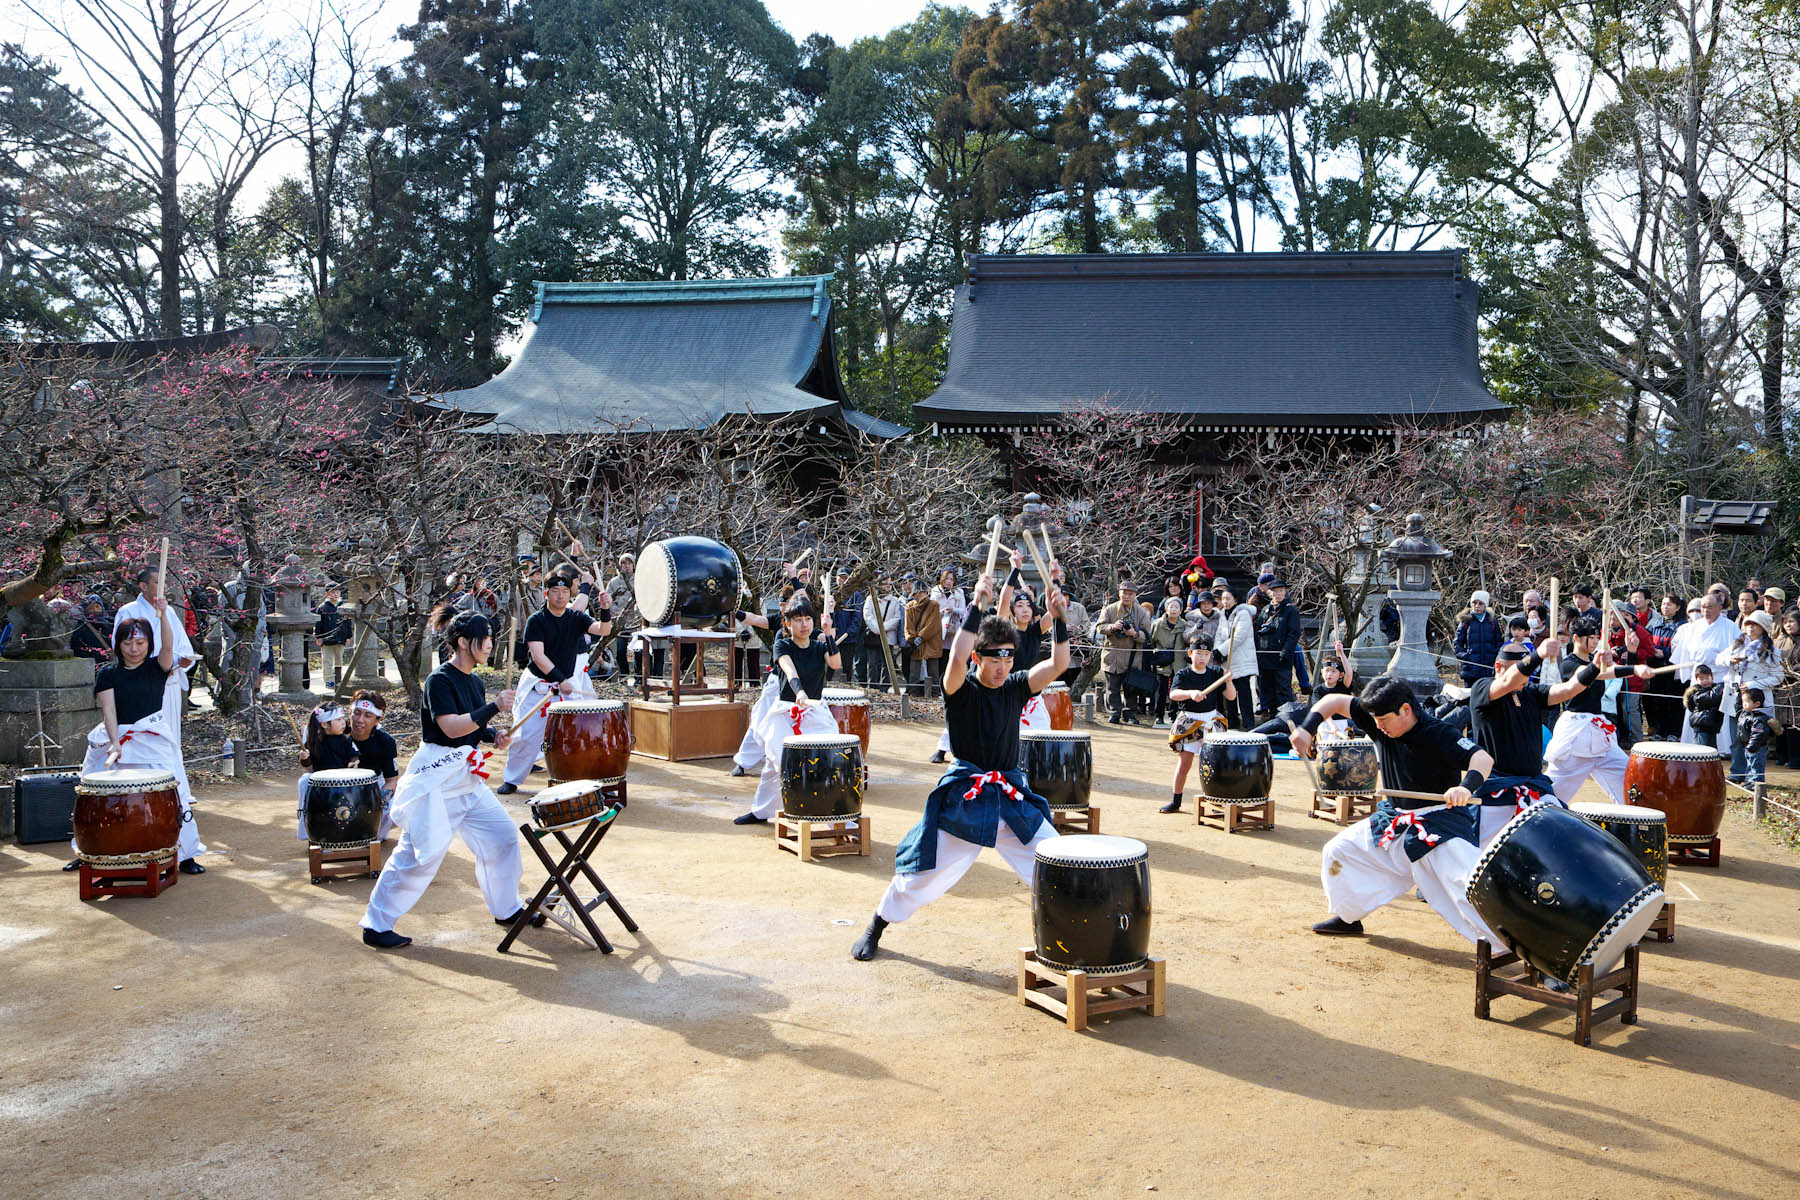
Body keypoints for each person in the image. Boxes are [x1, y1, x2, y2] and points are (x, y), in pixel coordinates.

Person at [850, 571, 1070, 961]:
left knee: (1056, 862)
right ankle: (877, 924)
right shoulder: (960, 690)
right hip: (966, 799)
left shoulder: (1017, 686)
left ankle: (1068, 940)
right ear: (977, 657)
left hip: (1010, 796)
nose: (1002, 664)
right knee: (920, 876)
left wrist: (1060, 619)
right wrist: (977, 606)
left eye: (1008, 656)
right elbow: (953, 658)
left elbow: (1057, 664)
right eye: (993, 656)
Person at [359, 606, 540, 949]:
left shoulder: (472, 680)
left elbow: (472, 728)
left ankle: (507, 908)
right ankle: (376, 923)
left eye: (490, 638)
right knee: (418, 854)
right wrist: (493, 709)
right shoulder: (438, 680)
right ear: (462, 642)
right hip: (437, 779)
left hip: (466, 777)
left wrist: (493, 735)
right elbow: (450, 727)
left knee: (502, 837)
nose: (489, 645)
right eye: (484, 639)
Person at [1290, 676, 1498, 944]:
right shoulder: (1379, 722)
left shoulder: (1439, 732)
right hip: (1393, 818)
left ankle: (1514, 947)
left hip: (1437, 824)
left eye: (1384, 720)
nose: (1378, 727)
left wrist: (1466, 788)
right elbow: (1333, 701)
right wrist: (1307, 728)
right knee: (1338, 851)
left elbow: (1482, 759)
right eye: (1375, 720)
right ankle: (1348, 917)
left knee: (1468, 885)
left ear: (1406, 710)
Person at [73, 599, 207, 875]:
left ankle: (185, 855)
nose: (133, 649)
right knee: (92, 792)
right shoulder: (107, 673)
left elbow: (169, 647)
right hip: (115, 736)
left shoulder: (157, 667)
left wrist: (163, 616)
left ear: (148, 644)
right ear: (118, 644)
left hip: (153, 737)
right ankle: (88, 850)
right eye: (127, 644)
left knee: (174, 793)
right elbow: (109, 711)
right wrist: (114, 743)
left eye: (140, 643)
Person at [494, 566, 612, 795]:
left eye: (565, 591)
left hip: (566, 688)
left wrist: (606, 610)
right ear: (547, 594)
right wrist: (559, 679)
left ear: (570, 593)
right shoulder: (537, 621)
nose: (560, 595)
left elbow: (602, 630)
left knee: (578, 734)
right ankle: (512, 778)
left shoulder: (576, 617)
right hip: (539, 687)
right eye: (555, 591)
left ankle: (582, 781)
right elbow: (538, 657)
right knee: (526, 736)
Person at [737, 600, 845, 825]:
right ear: (787, 623)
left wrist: (829, 635)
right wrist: (800, 692)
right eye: (798, 620)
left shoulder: (819, 646)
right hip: (785, 712)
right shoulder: (782, 645)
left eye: (807, 619)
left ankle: (834, 815)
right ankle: (762, 812)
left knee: (827, 759)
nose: (804, 625)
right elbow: (790, 671)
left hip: (815, 713)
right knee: (777, 763)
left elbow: (835, 664)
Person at [1542, 614, 1652, 804]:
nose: (1594, 642)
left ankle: (1628, 822)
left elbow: (1613, 671)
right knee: (1552, 792)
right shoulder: (1569, 663)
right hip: (1575, 734)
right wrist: (1631, 669)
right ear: (1576, 638)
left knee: (1629, 778)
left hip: (1599, 730)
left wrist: (1632, 654)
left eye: (1596, 638)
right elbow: (1598, 674)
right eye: (1590, 638)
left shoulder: (1595, 660)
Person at [1161, 642, 1235, 813]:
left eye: (1206, 654)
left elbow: (1231, 697)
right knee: (1184, 764)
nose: (1202, 658)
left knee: (1215, 765)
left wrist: (1229, 682)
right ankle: (1176, 800)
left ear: (1210, 655)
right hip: (1190, 721)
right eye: (1199, 653)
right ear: (1190, 653)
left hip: (1211, 720)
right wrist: (1190, 693)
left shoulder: (1216, 673)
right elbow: (1173, 694)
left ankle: (1217, 802)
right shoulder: (1184, 674)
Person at [1719, 610, 1783, 782]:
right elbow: (1718, 659)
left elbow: (1778, 676)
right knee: (1737, 738)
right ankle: (1737, 773)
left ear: (1763, 628)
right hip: (1735, 699)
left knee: (1756, 741)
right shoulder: (1737, 645)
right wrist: (1730, 660)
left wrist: (1754, 685)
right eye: (1748, 624)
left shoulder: (1772, 651)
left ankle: (1754, 779)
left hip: (1757, 702)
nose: (1751, 628)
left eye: (1755, 625)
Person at [1674, 592, 1736, 742]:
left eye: (1710, 607)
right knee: (1696, 709)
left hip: (1719, 676)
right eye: (1703, 607)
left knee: (1718, 712)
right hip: (1699, 675)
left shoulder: (1730, 627)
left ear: (1720, 608)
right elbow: (1684, 652)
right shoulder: (1694, 627)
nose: (1706, 610)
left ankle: (1722, 747)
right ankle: (1691, 742)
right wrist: (1688, 673)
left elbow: (1736, 652)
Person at [295, 703, 359, 839]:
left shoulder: (345, 740)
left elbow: (354, 755)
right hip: (321, 785)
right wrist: (304, 758)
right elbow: (309, 765)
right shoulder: (315, 742)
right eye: (338, 720)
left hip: (342, 783)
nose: (343, 723)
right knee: (305, 781)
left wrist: (353, 762)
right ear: (324, 724)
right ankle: (310, 830)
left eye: (343, 719)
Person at [349, 691, 401, 837]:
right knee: (305, 781)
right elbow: (314, 771)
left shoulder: (386, 742)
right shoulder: (337, 733)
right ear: (349, 713)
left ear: (377, 720)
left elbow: (392, 781)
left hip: (373, 785)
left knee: (398, 806)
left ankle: (374, 835)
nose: (360, 720)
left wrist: (378, 801)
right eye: (357, 713)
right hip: (340, 786)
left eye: (367, 716)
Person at [1098, 580, 1149, 724]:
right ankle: (1114, 713)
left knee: (1131, 688)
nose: (1127, 596)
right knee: (1112, 687)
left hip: (1132, 656)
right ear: (1119, 593)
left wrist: (1134, 633)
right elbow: (1099, 628)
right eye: (1124, 593)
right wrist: (1113, 627)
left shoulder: (1141, 612)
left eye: (1130, 594)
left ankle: (1130, 714)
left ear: (1135, 595)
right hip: (1112, 654)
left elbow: (1147, 636)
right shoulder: (1109, 609)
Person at [1254, 578, 1302, 719]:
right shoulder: (1266, 610)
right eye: (1275, 591)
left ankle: (1286, 719)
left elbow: (1294, 633)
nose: (1278, 594)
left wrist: (1286, 651)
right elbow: (1258, 629)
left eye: (1281, 591)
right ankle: (1270, 716)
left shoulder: (1290, 610)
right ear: (1271, 593)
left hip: (1282, 657)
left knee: (1283, 690)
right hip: (1264, 655)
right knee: (1266, 688)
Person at [1213, 584, 1258, 731]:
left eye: (1228, 598)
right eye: (1223, 599)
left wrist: (1221, 650)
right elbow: (1219, 635)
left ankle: (1248, 723)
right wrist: (1217, 651)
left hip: (1241, 660)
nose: (1225, 601)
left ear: (1236, 600)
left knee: (1243, 694)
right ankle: (1232, 722)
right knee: (1228, 693)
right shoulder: (1222, 614)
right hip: (1227, 661)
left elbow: (1238, 637)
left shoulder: (1243, 614)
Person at [1147, 597, 1186, 727]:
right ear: (1166, 609)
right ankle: (1159, 715)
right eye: (1171, 607)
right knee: (1161, 690)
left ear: (1181, 610)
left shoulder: (1184, 625)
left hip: (1178, 663)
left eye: (1176, 607)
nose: (1174, 609)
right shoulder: (1157, 624)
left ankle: (1173, 714)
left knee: (1176, 689)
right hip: (1162, 662)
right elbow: (1151, 641)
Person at [904, 575, 944, 697]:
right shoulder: (909, 607)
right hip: (916, 643)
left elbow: (933, 624)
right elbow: (908, 626)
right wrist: (912, 638)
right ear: (914, 594)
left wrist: (921, 637)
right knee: (914, 671)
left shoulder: (934, 605)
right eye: (918, 592)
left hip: (931, 641)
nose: (920, 594)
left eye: (923, 592)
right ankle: (913, 692)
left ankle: (935, 693)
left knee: (933, 670)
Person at [863, 575, 904, 693]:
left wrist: (883, 627)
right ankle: (873, 687)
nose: (888, 586)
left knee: (887, 664)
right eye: (885, 583)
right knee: (873, 663)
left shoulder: (895, 601)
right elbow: (868, 616)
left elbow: (897, 618)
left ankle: (884, 688)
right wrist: (877, 628)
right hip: (873, 636)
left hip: (888, 636)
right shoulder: (870, 599)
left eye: (890, 583)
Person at [1453, 591, 1502, 685]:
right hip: (1470, 669)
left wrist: (1494, 656)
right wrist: (1465, 656)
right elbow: (1457, 643)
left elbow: (1498, 642)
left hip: (1488, 668)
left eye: (1481, 603)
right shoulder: (1466, 621)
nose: (1477, 606)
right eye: (1474, 603)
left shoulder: (1492, 621)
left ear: (1486, 605)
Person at [605, 553, 640, 683]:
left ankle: (639, 678)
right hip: (620, 621)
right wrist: (616, 612)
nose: (626, 566)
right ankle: (624, 677)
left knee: (638, 649)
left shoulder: (639, 580)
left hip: (635, 620)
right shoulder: (614, 582)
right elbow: (608, 599)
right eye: (624, 563)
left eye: (629, 563)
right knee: (620, 651)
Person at [1773, 610, 1800, 767]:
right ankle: (1781, 756)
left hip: (1797, 687)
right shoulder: (1779, 641)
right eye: (1786, 622)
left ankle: (1795, 759)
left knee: (1794, 723)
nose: (1788, 625)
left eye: (1792, 621)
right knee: (1780, 722)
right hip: (1781, 687)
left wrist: (1790, 669)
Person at [1735, 685, 1776, 785]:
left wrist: (1752, 746)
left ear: (1757, 704)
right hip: (1747, 746)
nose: (1743, 705)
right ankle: (1749, 781)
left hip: (1756, 748)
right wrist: (1738, 694)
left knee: (1756, 766)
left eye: (1746, 702)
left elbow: (1758, 734)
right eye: (1743, 702)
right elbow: (1737, 707)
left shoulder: (1759, 718)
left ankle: (1757, 784)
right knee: (1749, 765)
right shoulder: (1745, 714)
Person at [315, 585, 350, 688]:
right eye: (332, 592)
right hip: (327, 639)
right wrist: (318, 637)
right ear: (327, 594)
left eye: (337, 592)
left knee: (339, 661)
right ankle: (329, 682)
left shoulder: (343, 606)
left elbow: (348, 622)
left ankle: (338, 681)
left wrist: (348, 636)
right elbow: (318, 624)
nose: (335, 594)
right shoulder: (322, 607)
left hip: (340, 638)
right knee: (327, 662)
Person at [1683, 665, 1726, 748]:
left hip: (1712, 727)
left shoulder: (1715, 689)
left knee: (1711, 752)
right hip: (1701, 726)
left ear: (1712, 677)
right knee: (1700, 752)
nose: (1705, 681)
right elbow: (1710, 697)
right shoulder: (1697, 692)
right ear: (1697, 680)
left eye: (1707, 678)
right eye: (1701, 679)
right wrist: (1723, 685)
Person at [69, 595, 111, 662]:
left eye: (97, 606)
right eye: (91, 608)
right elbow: (76, 648)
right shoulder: (81, 627)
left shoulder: (110, 625)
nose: (95, 610)